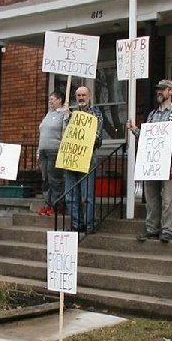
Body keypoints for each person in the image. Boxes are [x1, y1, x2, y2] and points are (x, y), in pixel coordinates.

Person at [127, 79, 172, 243]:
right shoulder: (153, 115)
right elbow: (147, 138)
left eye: (162, 89)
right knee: (152, 198)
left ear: (171, 91)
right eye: (158, 89)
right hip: (152, 163)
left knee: (168, 199)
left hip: (167, 164)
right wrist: (134, 130)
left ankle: (167, 230)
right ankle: (152, 228)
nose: (159, 92)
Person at [63, 86, 103, 233]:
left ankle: (89, 225)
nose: (81, 98)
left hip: (87, 158)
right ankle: (76, 224)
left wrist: (84, 139)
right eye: (78, 95)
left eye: (83, 95)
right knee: (70, 196)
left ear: (89, 97)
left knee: (87, 197)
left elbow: (98, 138)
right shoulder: (71, 115)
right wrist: (66, 119)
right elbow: (64, 137)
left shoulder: (95, 114)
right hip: (71, 158)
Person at [37, 90, 67, 216]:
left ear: (60, 100)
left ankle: (57, 205)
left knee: (54, 179)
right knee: (45, 179)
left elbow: (65, 131)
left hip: (54, 150)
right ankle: (47, 204)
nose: (50, 101)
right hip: (43, 150)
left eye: (53, 99)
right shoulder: (48, 114)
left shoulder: (63, 114)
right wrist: (38, 151)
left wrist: (66, 114)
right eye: (49, 99)